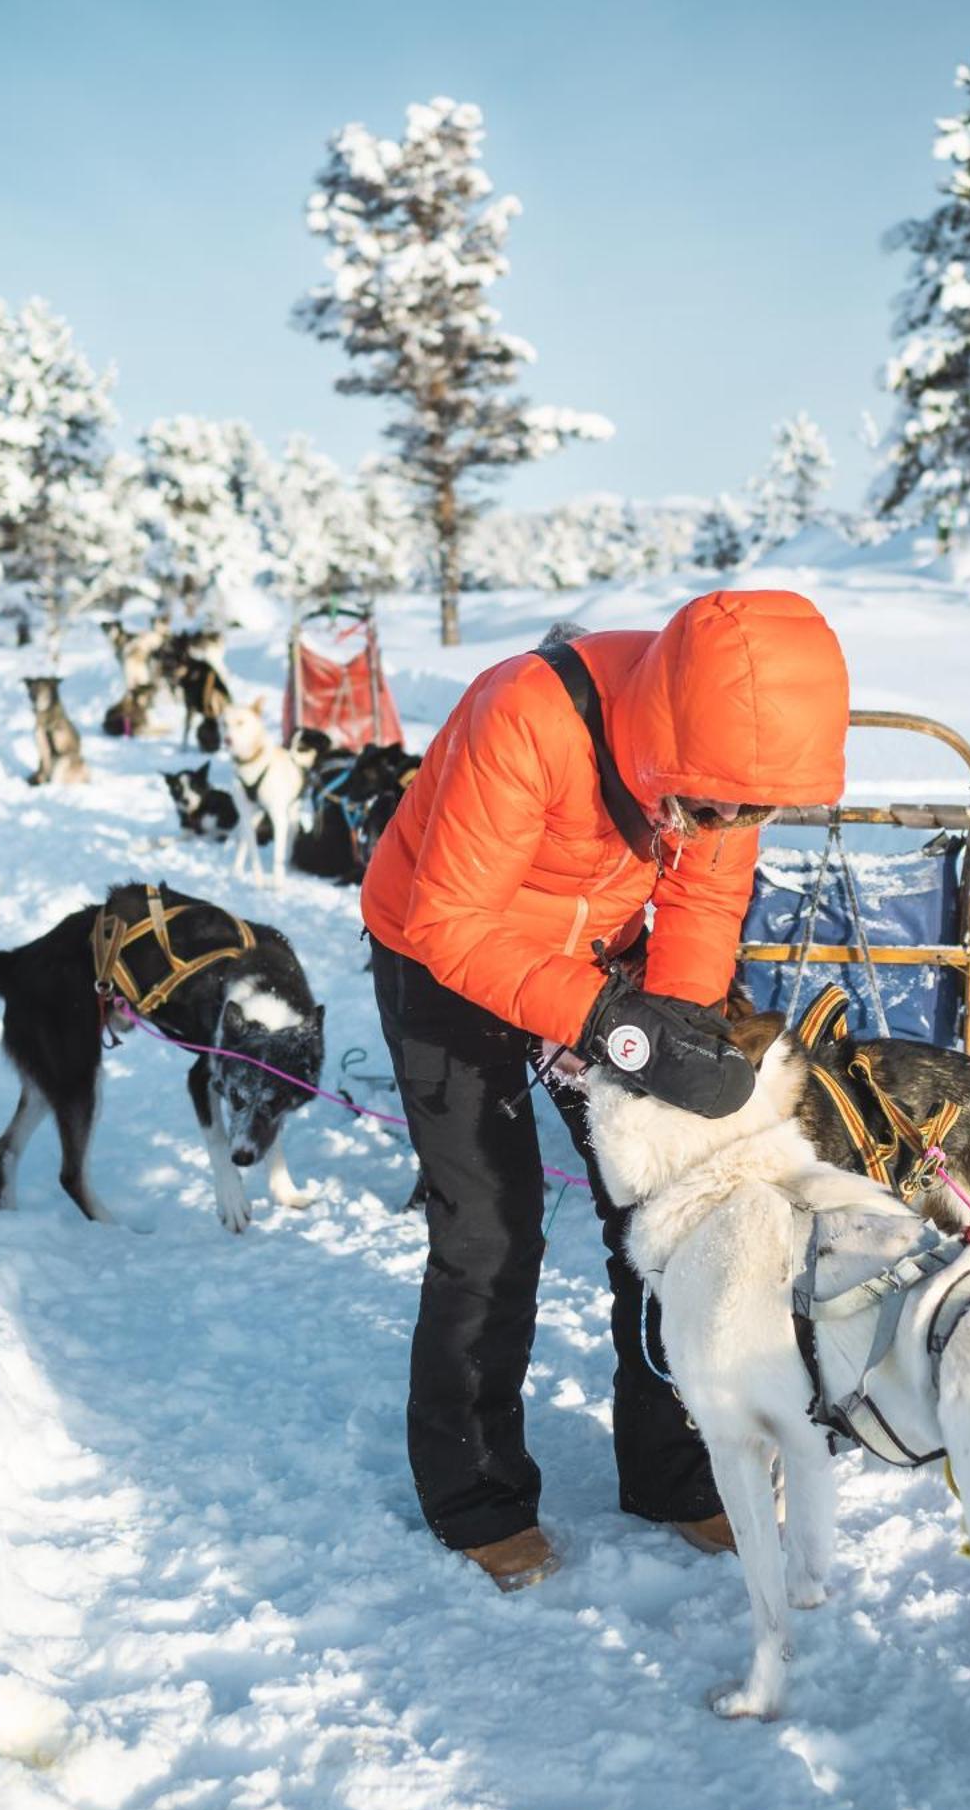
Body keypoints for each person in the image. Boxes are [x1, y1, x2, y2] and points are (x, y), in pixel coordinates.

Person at [362, 589, 850, 1590]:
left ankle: (671, 1471)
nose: (728, 822)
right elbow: (452, 918)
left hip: (595, 952)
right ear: (662, 738)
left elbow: (706, 900)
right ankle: (479, 1496)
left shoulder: (728, 764)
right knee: (490, 1229)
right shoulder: (525, 716)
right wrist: (605, 1023)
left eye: (749, 811)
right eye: (714, 805)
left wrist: (661, 1038)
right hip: (438, 946)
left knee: (675, 1203)